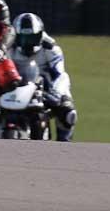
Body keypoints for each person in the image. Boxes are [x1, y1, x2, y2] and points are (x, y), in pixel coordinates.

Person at [11, 12, 78, 142]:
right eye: (23, 39)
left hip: (45, 85)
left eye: (31, 38)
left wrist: (56, 93)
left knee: (68, 111)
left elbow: (60, 74)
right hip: (15, 84)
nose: (27, 43)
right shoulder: (9, 46)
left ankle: (64, 142)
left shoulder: (51, 48)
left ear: (40, 35)